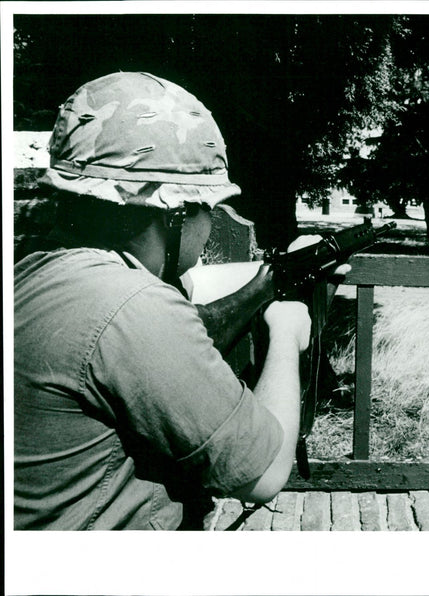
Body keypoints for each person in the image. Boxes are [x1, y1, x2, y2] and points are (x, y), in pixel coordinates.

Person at [14, 71, 333, 530]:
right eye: (208, 208)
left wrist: (277, 272)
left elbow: (183, 297)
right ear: (176, 213)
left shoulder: (34, 271)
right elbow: (263, 474)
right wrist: (285, 333)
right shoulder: (137, 308)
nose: (209, 225)